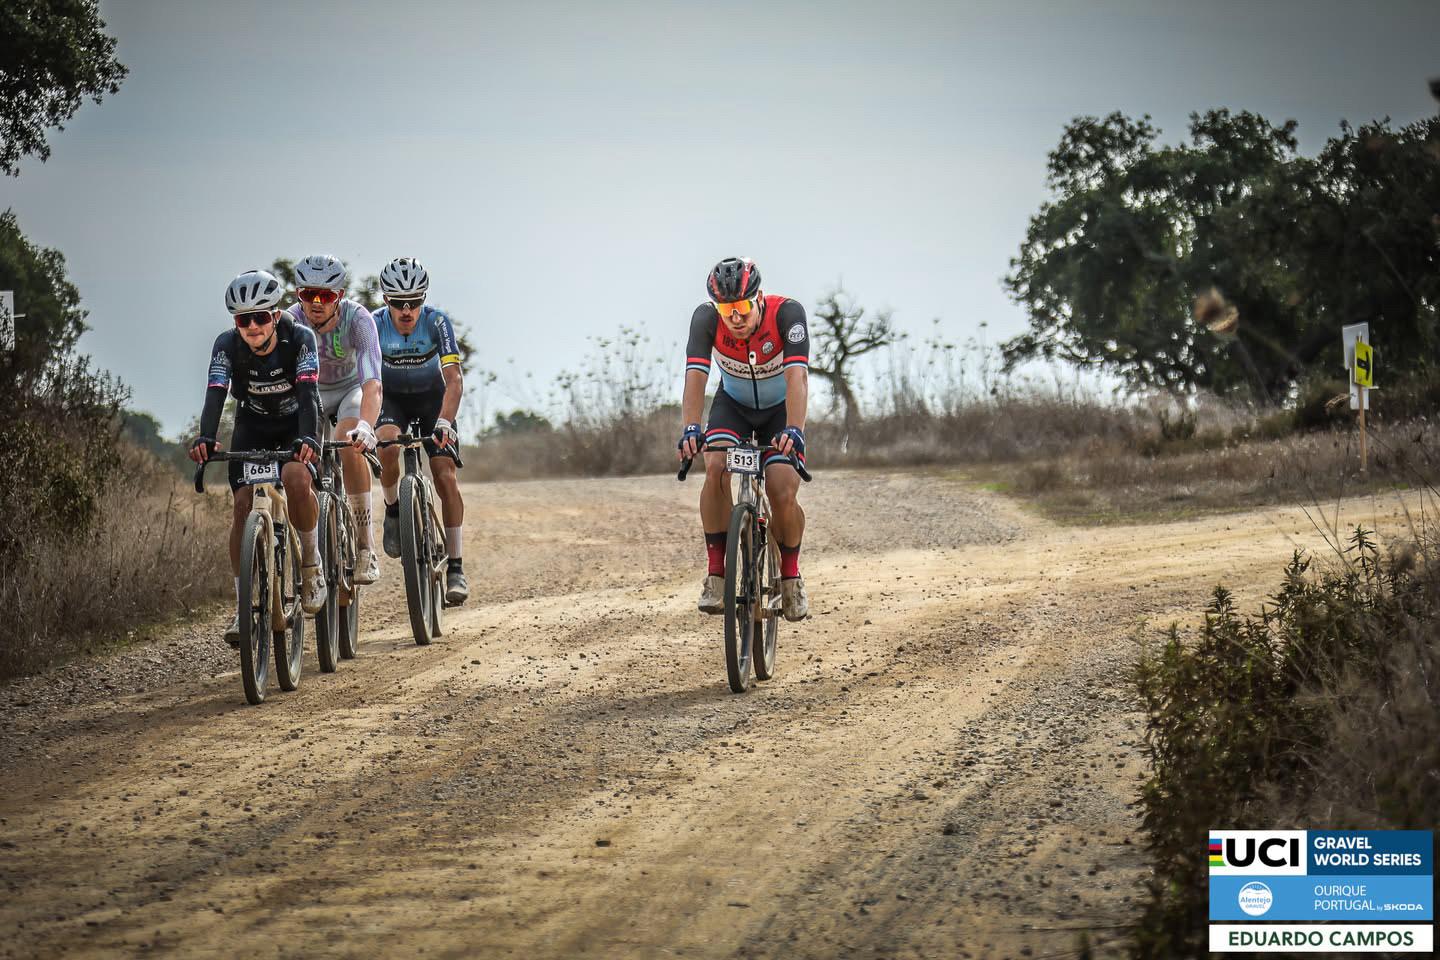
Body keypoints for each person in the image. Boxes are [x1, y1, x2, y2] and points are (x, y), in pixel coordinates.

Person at [189, 270, 326, 646]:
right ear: (234, 322)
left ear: (276, 315)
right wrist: (206, 437)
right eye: (242, 319)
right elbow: (215, 393)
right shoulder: (225, 345)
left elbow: (309, 393)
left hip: (295, 421)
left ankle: (312, 565)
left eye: (260, 317)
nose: (252, 326)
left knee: (298, 481)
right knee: (241, 505)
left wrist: (309, 439)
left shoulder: (300, 338)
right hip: (252, 424)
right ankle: (242, 604)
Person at [677, 256, 810, 621]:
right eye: (726, 308)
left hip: (779, 411)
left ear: (759, 298)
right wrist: (691, 427)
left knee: (782, 489)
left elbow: (797, 378)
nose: (734, 317)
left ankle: (790, 577)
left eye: (741, 306)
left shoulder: (787, 314)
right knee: (716, 466)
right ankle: (717, 575)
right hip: (732, 405)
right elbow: (695, 377)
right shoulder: (705, 320)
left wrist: (795, 430)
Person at [371, 257, 469, 604]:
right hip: (392, 399)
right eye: (398, 303)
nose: (407, 310)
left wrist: (444, 421)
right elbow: (366, 380)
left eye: (414, 301)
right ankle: (394, 509)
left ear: (424, 298)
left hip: (432, 400)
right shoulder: (374, 324)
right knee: (386, 446)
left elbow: (454, 379)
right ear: (386, 300)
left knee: (444, 475)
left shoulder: (437, 322)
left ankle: (456, 566)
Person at [284, 254, 384, 585]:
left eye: (325, 296)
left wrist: (366, 427)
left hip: (349, 391)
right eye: (307, 294)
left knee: (348, 438)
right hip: (309, 392)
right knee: (299, 458)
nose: (315, 303)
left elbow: (372, 384)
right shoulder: (289, 322)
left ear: (339, 295)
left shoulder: (359, 320)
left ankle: (365, 545)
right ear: (298, 294)